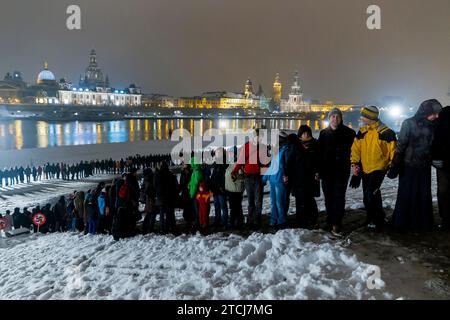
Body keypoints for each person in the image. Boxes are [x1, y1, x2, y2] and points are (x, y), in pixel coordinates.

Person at [391, 99, 443, 232]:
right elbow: (401, 145)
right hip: (408, 166)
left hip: (424, 166)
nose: (436, 116)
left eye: (438, 114)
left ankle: (422, 223)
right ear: (425, 111)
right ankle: (404, 223)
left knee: (423, 195)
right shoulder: (409, 123)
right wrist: (396, 163)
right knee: (407, 194)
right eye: (434, 113)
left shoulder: (436, 125)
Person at [351, 106, 397, 230]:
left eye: (363, 116)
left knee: (371, 194)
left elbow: (393, 151)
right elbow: (356, 149)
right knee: (368, 197)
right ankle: (372, 218)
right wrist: (354, 164)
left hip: (379, 168)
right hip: (365, 168)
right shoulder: (362, 131)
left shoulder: (386, 132)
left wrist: (393, 166)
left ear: (370, 118)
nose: (361, 118)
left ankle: (379, 219)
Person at [318, 108, 356, 237]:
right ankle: (330, 219)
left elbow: (355, 152)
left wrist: (354, 165)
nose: (335, 119)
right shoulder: (323, 133)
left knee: (339, 197)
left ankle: (337, 223)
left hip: (341, 171)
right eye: (333, 116)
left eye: (337, 116)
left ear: (341, 118)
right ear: (329, 118)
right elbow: (319, 153)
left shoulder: (349, 133)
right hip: (326, 171)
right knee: (328, 197)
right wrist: (318, 170)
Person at [232, 127, 269, 230]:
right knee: (250, 201)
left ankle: (257, 221)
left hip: (258, 178)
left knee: (258, 201)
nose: (260, 138)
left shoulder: (263, 147)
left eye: (261, 136)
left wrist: (264, 178)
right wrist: (234, 171)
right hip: (248, 177)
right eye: (258, 136)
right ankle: (250, 220)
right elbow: (240, 160)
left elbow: (266, 164)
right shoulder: (247, 146)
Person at [286, 125, 320, 229]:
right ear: (300, 134)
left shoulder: (315, 144)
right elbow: (290, 161)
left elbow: (320, 160)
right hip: (298, 178)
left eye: (307, 132)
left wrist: (318, 172)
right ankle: (300, 220)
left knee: (310, 199)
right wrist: (286, 174)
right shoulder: (296, 145)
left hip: (311, 178)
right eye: (303, 132)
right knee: (299, 200)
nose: (306, 134)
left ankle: (312, 219)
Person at [263, 131, 289, 230]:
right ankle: (273, 220)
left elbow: (287, 165)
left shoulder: (285, 150)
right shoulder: (275, 151)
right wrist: (265, 178)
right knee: (273, 201)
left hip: (280, 179)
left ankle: (281, 221)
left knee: (279, 202)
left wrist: (286, 175)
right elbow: (271, 166)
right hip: (273, 179)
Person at [431, 106, 450, 230]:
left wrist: (435, 159)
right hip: (444, 163)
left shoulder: (439, 126)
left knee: (444, 192)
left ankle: (446, 220)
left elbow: (435, 144)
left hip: (444, 165)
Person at [225, 151, 245, 229]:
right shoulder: (230, 164)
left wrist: (236, 177)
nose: (230, 155)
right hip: (230, 189)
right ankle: (235, 222)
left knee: (236, 207)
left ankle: (237, 223)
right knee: (233, 207)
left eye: (231, 154)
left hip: (236, 190)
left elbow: (243, 176)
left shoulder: (238, 164)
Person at [210, 147, 229, 229]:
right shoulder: (216, 163)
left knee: (223, 206)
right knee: (216, 206)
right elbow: (213, 176)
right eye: (216, 152)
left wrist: (222, 186)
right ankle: (217, 221)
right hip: (215, 189)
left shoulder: (225, 163)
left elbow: (225, 177)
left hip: (221, 189)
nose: (216, 154)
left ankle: (224, 222)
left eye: (218, 152)